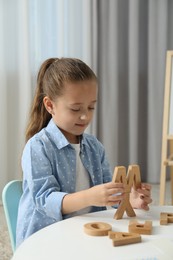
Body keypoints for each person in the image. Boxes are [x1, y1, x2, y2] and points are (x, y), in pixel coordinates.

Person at [16, 58, 152, 247]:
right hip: (46, 239)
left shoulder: (94, 146)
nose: (85, 116)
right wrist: (90, 196)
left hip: (86, 233)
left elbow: (108, 192)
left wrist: (129, 199)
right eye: (75, 109)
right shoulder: (38, 147)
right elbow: (45, 200)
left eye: (91, 107)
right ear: (50, 105)